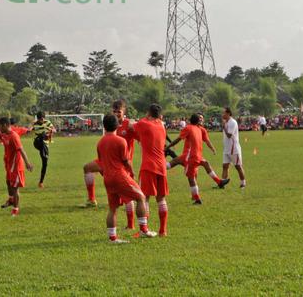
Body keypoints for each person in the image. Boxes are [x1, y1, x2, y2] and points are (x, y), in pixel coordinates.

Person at [96, 114, 154, 243]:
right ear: (117, 125)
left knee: (113, 208)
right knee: (140, 197)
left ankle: (112, 238)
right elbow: (126, 161)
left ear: (104, 126)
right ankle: (144, 230)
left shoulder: (100, 142)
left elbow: (101, 162)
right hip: (119, 175)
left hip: (108, 178)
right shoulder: (120, 141)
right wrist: (132, 172)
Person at [128, 104, 170, 236]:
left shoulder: (144, 123)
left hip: (148, 166)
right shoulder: (162, 125)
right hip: (162, 165)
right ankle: (163, 230)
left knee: (144, 198)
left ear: (148, 113)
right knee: (161, 199)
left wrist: (132, 120)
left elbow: (130, 125)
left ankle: (143, 229)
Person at [166, 113, 228, 204]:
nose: (201, 120)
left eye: (202, 118)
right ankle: (218, 182)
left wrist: (168, 146)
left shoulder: (195, 129)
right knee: (179, 163)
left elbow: (178, 139)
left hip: (190, 156)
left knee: (190, 176)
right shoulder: (198, 129)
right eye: (200, 119)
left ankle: (197, 198)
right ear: (197, 120)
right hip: (192, 155)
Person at [0, 117, 34, 216]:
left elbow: (21, 149)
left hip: (16, 165)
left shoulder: (14, 136)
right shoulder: (4, 134)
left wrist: (27, 163)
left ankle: (15, 208)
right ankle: (11, 200)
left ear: (5, 125)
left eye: (0, 125)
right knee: (8, 182)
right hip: (9, 164)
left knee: (15, 187)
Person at [221, 107, 247, 189]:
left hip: (233, 149)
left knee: (238, 166)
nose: (223, 114)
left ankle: (243, 183)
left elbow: (229, 135)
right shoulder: (226, 122)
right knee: (225, 166)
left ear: (228, 113)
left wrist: (224, 126)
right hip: (226, 148)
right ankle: (222, 183)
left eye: (224, 113)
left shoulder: (232, 122)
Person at [30, 111, 54, 188]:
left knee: (45, 163)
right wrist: (31, 127)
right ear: (38, 119)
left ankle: (41, 182)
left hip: (44, 146)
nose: (42, 120)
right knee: (41, 136)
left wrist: (49, 129)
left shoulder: (48, 122)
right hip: (37, 142)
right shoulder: (35, 123)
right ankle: (44, 151)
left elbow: (54, 130)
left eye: (43, 119)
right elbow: (29, 129)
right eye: (40, 119)